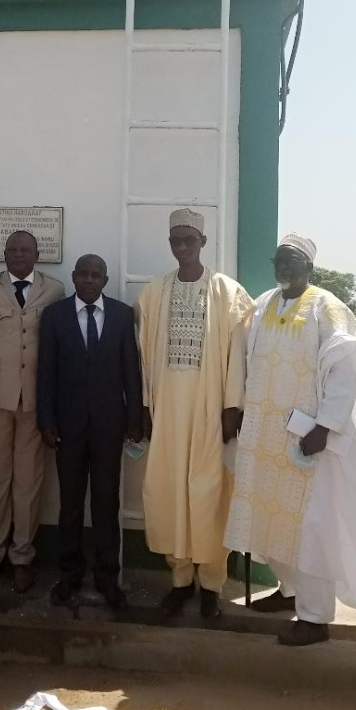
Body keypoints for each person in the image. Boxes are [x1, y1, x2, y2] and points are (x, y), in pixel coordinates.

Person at [225, 234, 356, 645]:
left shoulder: (327, 307)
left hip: (304, 440)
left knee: (308, 526)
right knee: (269, 517)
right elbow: (241, 356)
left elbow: (346, 370)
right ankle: (290, 592)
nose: (284, 266)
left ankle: (315, 617)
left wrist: (325, 426)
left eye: (293, 260)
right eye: (280, 259)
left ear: (310, 266)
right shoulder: (263, 304)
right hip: (263, 437)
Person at [136, 209, 254, 619]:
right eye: (175, 240)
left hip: (209, 409)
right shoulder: (153, 293)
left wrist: (231, 406)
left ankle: (211, 585)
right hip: (167, 409)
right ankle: (180, 580)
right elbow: (144, 360)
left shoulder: (228, 292)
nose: (182, 247)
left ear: (203, 242)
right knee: (169, 490)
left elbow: (237, 358)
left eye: (189, 239)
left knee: (208, 492)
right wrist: (148, 408)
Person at [37, 254, 143, 609]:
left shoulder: (122, 315)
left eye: (96, 274)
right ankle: (69, 575)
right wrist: (46, 420)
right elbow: (46, 373)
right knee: (69, 504)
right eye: (82, 274)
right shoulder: (54, 316)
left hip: (109, 426)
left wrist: (134, 418)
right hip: (67, 426)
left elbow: (131, 370)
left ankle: (107, 576)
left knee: (105, 502)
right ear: (73, 277)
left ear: (105, 279)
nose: (88, 280)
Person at [0, 230, 65, 594]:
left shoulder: (53, 290)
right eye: (13, 250)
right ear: (4, 254)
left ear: (37, 254)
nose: (19, 255)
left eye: (26, 249)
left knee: (29, 483)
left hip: (35, 403)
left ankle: (22, 556)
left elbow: (58, 348)